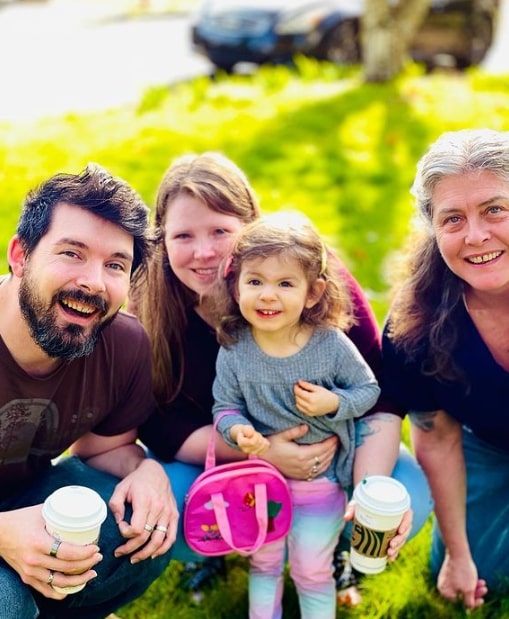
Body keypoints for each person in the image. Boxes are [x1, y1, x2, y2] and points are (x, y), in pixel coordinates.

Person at [129, 151, 432, 599]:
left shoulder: (308, 274)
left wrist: (367, 494)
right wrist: (262, 454)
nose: (204, 252)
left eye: (220, 231)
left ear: (251, 227)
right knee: (166, 507)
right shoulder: (151, 303)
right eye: (183, 236)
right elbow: (159, 424)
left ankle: (332, 551)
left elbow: (380, 390)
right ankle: (218, 549)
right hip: (225, 455)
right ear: (162, 240)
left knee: (408, 492)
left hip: (328, 455)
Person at [0, 163, 178, 619]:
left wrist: (146, 471)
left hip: (23, 498)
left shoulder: (123, 343)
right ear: (20, 256)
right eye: (72, 253)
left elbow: (105, 451)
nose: (93, 282)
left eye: (115, 264)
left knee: (138, 528)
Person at [211, 212, 381, 618]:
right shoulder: (235, 348)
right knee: (264, 563)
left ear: (312, 292)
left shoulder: (330, 344)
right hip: (261, 484)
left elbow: (369, 390)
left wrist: (333, 403)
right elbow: (224, 408)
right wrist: (239, 432)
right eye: (255, 282)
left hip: (320, 484)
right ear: (236, 287)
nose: (267, 295)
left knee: (311, 569)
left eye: (285, 283)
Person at [381, 128, 509, 611]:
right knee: (472, 573)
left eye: (495, 209)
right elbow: (436, 435)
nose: (476, 236)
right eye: (453, 218)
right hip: (489, 443)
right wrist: (458, 553)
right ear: (432, 229)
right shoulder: (416, 323)